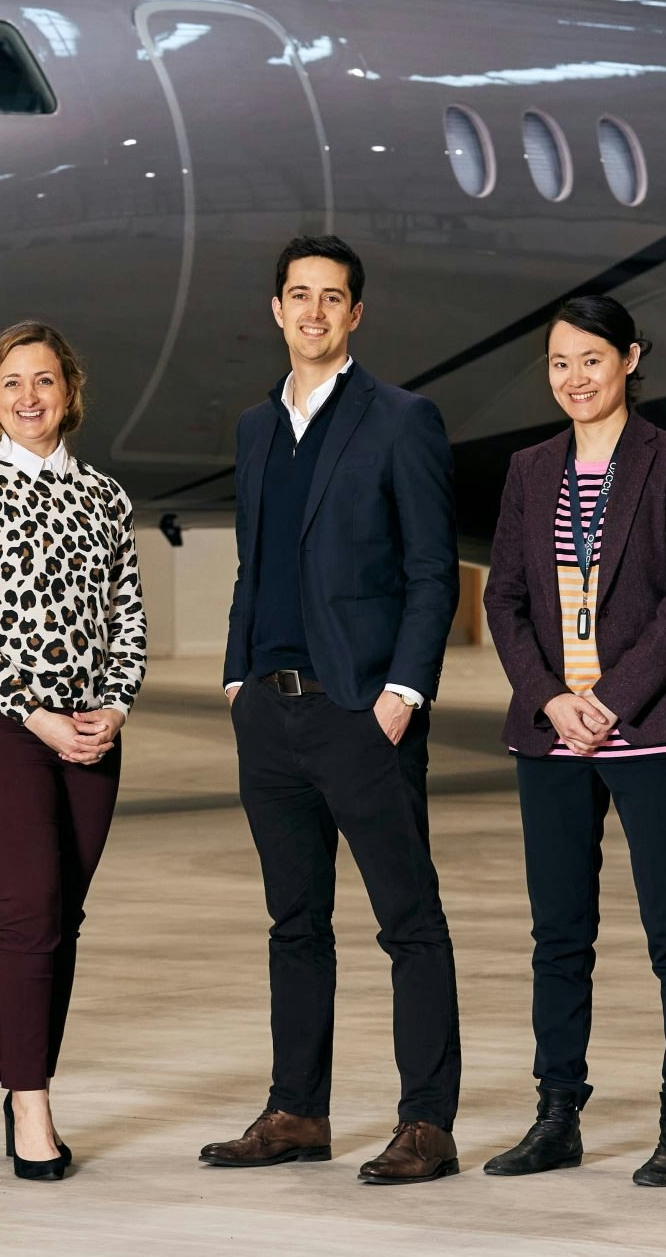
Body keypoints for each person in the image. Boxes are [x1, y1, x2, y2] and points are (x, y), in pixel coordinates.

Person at [200, 235, 464, 1185]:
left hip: (362, 712)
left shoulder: (402, 420)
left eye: (333, 298)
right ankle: (297, 1110)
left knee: (409, 921)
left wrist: (402, 693)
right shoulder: (254, 427)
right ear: (275, 308)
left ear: (356, 315)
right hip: (269, 714)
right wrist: (236, 678)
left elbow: (434, 571)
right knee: (294, 923)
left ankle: (427, 1123)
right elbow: (252, 565)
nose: (313, 312)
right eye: (298, 295)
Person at [481, 294, 666, 1188]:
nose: (574, 378)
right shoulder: (530, 468)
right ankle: (557, 1114)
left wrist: (610, 700)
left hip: (649, 729)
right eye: (558, 363)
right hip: (552, 736)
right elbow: (502, 598)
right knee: (558, 936)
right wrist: (549, 698)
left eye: (591, 359)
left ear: (629, 358)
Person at [0, 321, 147, 1182]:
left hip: (92, 732)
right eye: (11, 384)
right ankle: (31, 1105)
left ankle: (23, 1073)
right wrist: (37, 714)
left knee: (64, 918)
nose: (29, 397)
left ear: (69, 391)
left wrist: (115, 704)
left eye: (43, 381)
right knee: (29, 908)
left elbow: (128, 613)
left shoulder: (106, 498)